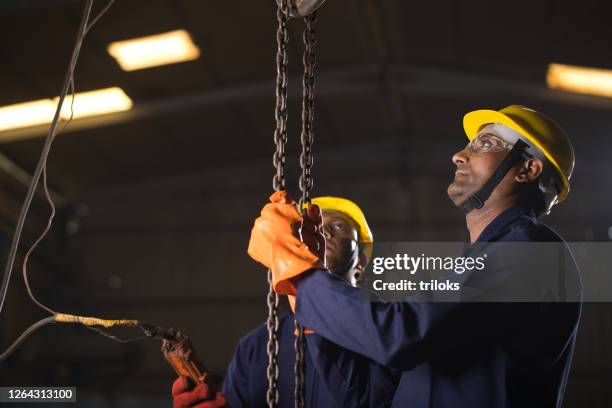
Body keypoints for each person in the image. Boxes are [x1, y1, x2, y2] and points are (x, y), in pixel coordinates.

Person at [248, 105, 582, 407]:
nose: (459, 155)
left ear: (528, 169)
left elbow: (400, 336)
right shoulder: (474, 268)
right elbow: (366, 396)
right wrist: (311, 299)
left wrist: (300, 274)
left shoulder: (531, 252)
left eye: (484, 144)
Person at [172, 197, 399, 407]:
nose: (324, 232)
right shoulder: (256, 347)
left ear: (360, 261)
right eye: (315, 227)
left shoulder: (387, 330)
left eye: (338, 226)